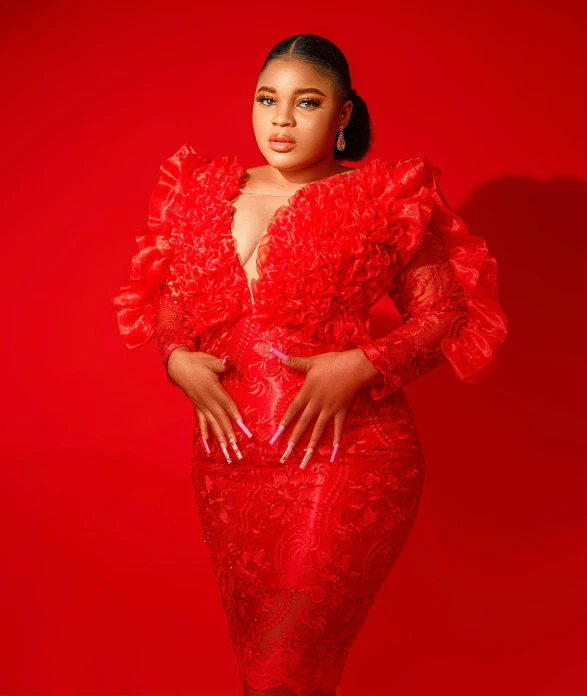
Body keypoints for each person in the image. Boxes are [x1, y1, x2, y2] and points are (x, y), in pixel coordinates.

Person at [110, 33, 507, 696]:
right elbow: (172, 302)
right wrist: (174, 356)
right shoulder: (199, 191)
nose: (282, 120)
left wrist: (363, 362)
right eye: (268, 99)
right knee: (264, 673)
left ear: (344, 113)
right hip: (228, 462)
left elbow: (448, 317)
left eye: (307, 102)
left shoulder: (386, 199)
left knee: (283, 673)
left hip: (349, 454)